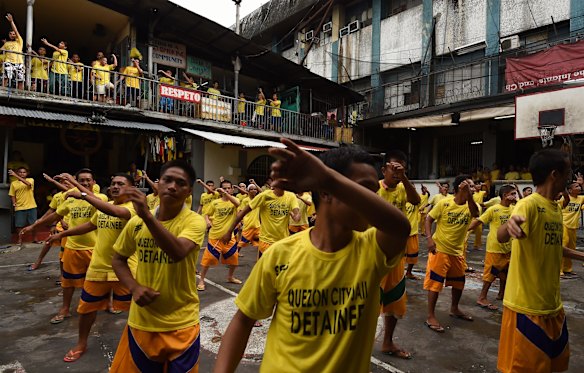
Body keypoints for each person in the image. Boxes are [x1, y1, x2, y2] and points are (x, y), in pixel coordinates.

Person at [213, 139, 410, 373]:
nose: (371, 201)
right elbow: (244, 320)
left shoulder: (373, 249)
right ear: (327, 193)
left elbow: (400, 228)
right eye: (362, 189)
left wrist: (327, 179)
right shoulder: (280, 255)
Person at [109, 160, 206, 372]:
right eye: (167, 180)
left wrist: (147, 216)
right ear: (158, 184)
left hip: (182, 324)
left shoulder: (194, 222)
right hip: (142, 323)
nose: (172, 186)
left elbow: (178, 252)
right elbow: (118, 258)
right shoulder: (136, 223)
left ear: (189, 191)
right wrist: (134, 288)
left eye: (180, 183)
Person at [496, 149, 584, 373]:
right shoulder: (528, 205)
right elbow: (501, 234)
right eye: (568, 173)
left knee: (555, 367)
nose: (571, 179)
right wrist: (510, 226)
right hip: (526, 308)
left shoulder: (555, 207)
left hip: (553, 307)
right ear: (555, 174)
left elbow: (553, 246)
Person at [46, 174, 136, 363]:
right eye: (113, 184)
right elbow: (89, 225)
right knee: (86, 310)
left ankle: (138, 346)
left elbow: (117, 213)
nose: (115, 186)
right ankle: (81, 343)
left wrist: (83, 195)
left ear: (132, 188)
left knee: (137, 312)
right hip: (98, 269)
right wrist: (62, 234)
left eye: (121, 184)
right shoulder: (103, 208)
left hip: (126, 271)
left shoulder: (134, 208)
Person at [20, 169, 108, 324]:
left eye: (88, 180)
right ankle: (65, 309)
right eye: (82, 181)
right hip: (73, 248)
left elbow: (95, 201)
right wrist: (34, 226)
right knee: (68, 284)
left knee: (100, 281)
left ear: (94, 183)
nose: (86, 183)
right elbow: (55, 215)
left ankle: (105, 305)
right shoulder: (70, 199)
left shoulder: (101, 197)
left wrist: (75, 186)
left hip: (96, 248)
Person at [377, 150, 420, 359]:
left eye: (401, 168)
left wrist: (404, 177)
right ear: (383, 169)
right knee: (366, 303)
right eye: (393, 168)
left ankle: (387, 342)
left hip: (396, 257)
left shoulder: (404, 189)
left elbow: (416, 200)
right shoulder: (374, 188)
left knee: (394, 301)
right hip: (373, 256)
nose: (396, 172)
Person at [424, 175, 479, 333]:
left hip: (457, 251)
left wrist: (469, 196)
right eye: (469, 185)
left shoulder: (471, 205)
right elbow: (428, 219)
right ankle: (430, 315)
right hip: (439, 250)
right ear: (459, 187)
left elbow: (475, 214)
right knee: (435, 285)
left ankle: (454, 308)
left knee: (458, 283)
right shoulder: (444, 203)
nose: (472, 188)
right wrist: (429, 239)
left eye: (473, 186)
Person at [467, 184, 517, 311]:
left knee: (505, 272)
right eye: (513, 193)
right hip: (495, 248)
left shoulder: (514, 209)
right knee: (490, 274)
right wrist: (464, 230)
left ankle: (501, 294)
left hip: (509, 247)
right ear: (505, 196)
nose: (515, 196)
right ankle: (482, 297)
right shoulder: (494, 209)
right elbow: (478, 221)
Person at [224, 182, 299, 259]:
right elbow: (242, 212)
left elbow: (296, 214)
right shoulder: (264, 196)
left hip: (282, 240)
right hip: (266, 241)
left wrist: (296, 216)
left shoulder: (291, 196)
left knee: (280, 268)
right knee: (264, 268)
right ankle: (235, 254)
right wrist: (229, 231)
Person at [197, 180, 242, 291]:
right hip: (215, 235)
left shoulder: (234, 201)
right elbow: (207, 213)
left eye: (228, 188)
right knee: (208, 259)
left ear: (232, 189)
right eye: (224, 188)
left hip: (229, 236)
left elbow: (238, 204)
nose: (226, 190)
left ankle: (230, 276)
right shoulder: (215, 202)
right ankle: (201, 280)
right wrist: (207, 221)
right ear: (220, 190)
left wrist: (226, 194)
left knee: (234, 258)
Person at [559, 174, 584, 276]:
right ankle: (559, 270)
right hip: (564, 225)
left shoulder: (581, 198)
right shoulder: (564, 198)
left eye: (579, 186)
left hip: (573, 227)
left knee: (571, 248)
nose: (579, 188)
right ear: (569, 190)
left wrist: (583, 183)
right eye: (576, 186)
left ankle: (567, 269)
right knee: (563, 246)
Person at [8, 167, 38, 243]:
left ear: (27, 173)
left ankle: (35, 238)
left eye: (24, 172)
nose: (22, 173)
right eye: (20, 172)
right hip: (19, 207)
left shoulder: (30, 180)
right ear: (18, 173)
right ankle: (20, 239)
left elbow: (28, 184)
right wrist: (14, 202)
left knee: (34, 224)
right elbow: (12, 195)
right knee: (19, 225)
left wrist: (15, 175)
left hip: (31, 205)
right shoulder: (13, 183)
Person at [1, 14, 24, 89]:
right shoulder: (7, 43)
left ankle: (20, 93)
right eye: (10, 34)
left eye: (14, 34)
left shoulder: (19, 41)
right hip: (8, 61)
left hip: (19, 62)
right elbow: (1, 50)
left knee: (20, 79)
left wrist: (11, 21)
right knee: (6, 77)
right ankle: (3, 90)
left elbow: (16, 31)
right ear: (8, 35)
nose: (12, 35)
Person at [236, 184, 260, 255]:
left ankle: (261, 259)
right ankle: (234, 255)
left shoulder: (258, 199)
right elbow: (240, 211)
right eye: (251, 189)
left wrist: (255, 183)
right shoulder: (245, 200)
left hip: (257, 225)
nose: (253, 191)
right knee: (242, 243)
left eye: (255, 189)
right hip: (248, 225)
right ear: (248, 191)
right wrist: (239, 221)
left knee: (261, 242)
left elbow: (263, 193)